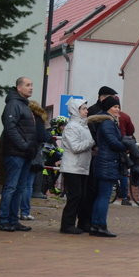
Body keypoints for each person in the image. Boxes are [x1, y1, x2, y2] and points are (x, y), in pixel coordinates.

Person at [0, 76, 36, 232]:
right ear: (19, 88)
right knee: (11, 187)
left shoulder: (24, 105)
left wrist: (29, 148)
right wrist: (24, 145)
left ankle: (13, 220)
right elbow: (10, 127)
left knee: (19, 188)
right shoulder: (13, 104)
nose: (31, 88)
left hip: (25, 154)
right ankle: (4, 220)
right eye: (27, 85)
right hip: (15, 153)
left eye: (32, 85)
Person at [87, 96, 125, 237]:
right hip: (107, 162)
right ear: (108, 108)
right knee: (104, 195)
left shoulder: (105, 122)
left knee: (101, 195)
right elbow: (113, 142)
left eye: (118, 107)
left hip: (104, 161)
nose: (118, 110)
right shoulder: (108, 123)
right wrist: (125, 145)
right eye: (115, 107)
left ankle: (95, 225)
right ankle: (100, 225)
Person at [59, 98, 95, 234]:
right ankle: (67, 225)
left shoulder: (83, 126)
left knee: (82, 196)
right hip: (72, 167)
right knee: (75, 196)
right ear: (76, 110)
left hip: (82, 166)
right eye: (84, 109)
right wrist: (91, 143)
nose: (87, 111)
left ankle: (82, 223)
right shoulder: (71, 127)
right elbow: (75, 147)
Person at [20, 100, 54, 221]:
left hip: (21, 152)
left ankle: (15, 211)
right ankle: (25, 211)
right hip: (33, 154)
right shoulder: (38, 119)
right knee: (28, 185)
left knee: (19, 184)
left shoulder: (23, 118)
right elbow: (42, 136)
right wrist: (48, 136)